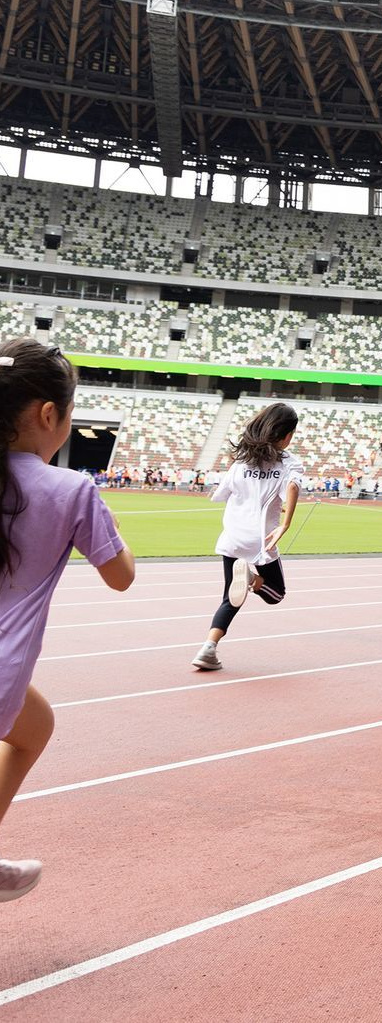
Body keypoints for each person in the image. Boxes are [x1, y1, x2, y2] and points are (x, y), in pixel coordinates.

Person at [0, 340, 135, 900]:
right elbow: (121, 576)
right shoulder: (72, 489)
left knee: (35, 726)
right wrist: (105, 522)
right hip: (2, 668)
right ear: (49, 414)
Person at [190, 402, 303, 672]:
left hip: (233, 537)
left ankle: (208, 648)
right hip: (261, 538)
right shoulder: (289, 462)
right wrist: (285, 523)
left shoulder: (241, 462)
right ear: (287, 435)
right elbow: (292, 486)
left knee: (230, 597)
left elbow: (220, 494)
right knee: (276, 594)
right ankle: (252, 578)